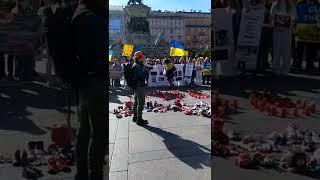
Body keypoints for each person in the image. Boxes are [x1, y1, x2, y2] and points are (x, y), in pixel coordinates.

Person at [72, 0, 108, 179]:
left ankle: (81, 172)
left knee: (84, 128)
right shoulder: (94, 17)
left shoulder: (80, 13)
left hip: (84, 79)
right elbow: (101, 50)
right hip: (96, 79)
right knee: (98, 131)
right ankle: (95, 174)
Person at [270, 0, 296, 76]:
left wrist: (288, 21)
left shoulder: (291, 5)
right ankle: (276, 68)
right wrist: (277, 21)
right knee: (276, 49)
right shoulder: (275, 4)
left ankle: (285, 69)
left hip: (287, 31)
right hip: (277, 30)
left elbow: (294, 17)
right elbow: (271, 15)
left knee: (286, 50)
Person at [132, 51, 148, 126]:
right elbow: (142, 76)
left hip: (136, 86)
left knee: (136, 102)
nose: (143, 58)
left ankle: (135, 117)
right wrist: (146, 71)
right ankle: (139, 119)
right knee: (141, 103)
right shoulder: (138, 66)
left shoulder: (135, 64)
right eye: (142, 57)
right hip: (139, 86)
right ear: (139, 58)